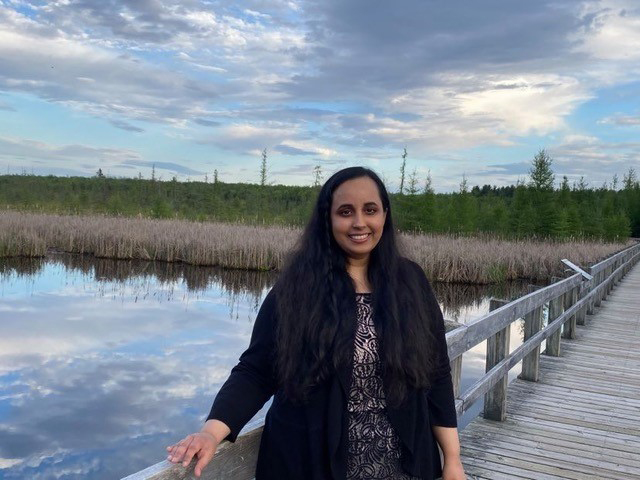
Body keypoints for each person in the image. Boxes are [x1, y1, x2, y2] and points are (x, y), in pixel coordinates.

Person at [166, 167, 466, 479]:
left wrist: (453, 459)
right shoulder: (298, 287)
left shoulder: (410, 282)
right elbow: (256, 370)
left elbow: (436, 373)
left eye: (370, 210)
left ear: (385, 216)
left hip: (403, 466)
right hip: (312, 463)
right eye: (345, 211)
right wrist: (211, 433)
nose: (359, 222)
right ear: (328, 218)